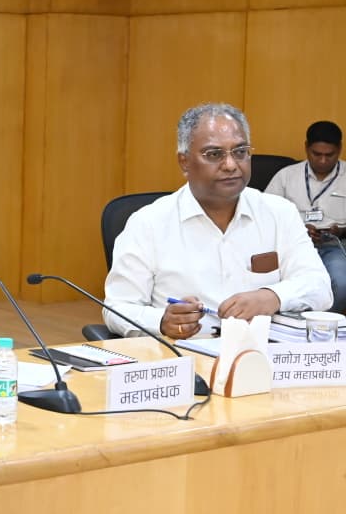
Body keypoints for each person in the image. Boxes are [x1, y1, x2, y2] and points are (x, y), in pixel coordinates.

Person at [104, 104, 332, 339]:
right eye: (214, 154)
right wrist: (161, 321)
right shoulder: (148, 223)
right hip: (184, 355)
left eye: (240, 152)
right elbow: (117, 308)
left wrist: (272, 296)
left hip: (263, 352)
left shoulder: (279, 212)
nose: (231, 165)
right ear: (184, 162)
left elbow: (319, 286)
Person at [264, 120, 346, 312]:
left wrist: (341, 230)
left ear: (340, 149)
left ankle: (322, 325)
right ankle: (296, 325)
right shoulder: (286, 176)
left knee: (341, 284)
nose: (323, 160)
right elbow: (265, 213)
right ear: (306, 147)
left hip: (334, 245)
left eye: (329, 155)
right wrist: (297, 228)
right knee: (279, 284)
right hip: (293, 244)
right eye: (317, 154)